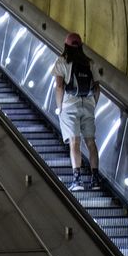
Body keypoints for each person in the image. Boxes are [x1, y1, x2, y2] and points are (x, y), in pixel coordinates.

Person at [52, 32, 100, 190]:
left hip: (70, 105)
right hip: (88, 105)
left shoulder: (61, 62)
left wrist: (60, 107)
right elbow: (97, 88)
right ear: (81, 46)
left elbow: (59, 86)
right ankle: (95, 180)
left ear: (66, 46)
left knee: (74, 142)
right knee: (91, 143)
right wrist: (93, 105)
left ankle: (77, 181)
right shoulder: (89, 63)